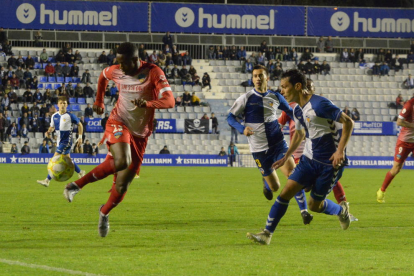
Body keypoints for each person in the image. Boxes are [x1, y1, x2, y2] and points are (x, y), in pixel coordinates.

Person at [62, 42, 175, 237]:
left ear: (135, 59)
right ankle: (76, 185)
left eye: (124, 63)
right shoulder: (116, 70)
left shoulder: (153, 72)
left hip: (140, 133)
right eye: (118, 62)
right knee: (122, 160)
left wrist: (148, 103)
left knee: (122, 186)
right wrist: (98, 101)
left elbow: (170, 101)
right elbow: (102, 77)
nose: (120, 67)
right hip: (118, 121)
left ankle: (103, 212)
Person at [247, 69, 354, 245]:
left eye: (284, 87)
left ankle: (341, 211)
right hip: (308, 161)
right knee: (285, 193)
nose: (281, 91)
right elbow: (299, 134)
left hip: (329, 164)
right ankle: (266, 234)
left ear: (297, 86)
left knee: (314, 205)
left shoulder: (320, 104)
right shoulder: (297, 110)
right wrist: (286, 156)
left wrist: (340, 151)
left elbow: (348, 122)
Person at [227, 65, 312, 225]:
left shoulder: (275, 97)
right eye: (255, 76)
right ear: (252, 79)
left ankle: (304, 211)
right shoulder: (245, 98)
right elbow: (230, 118)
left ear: (267, 78)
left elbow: (290, 112)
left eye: (261, 75)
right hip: (259, 151)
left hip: (278, 145)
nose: (258, 78)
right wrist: (242, 128)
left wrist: (303, 124)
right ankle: (265, 182)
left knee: (294, 175)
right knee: (274, 187)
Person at [278, 78, 358, 222]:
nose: (310, 89)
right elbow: (287, 126)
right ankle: (304, 211)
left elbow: (343, 125)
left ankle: (341, 205)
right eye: (308, 87)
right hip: (302, 150)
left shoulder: (320, 106)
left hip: (319, 151)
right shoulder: (294, 108)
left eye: (311, 87)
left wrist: (340, 150)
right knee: (299, 183)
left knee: (314, 190)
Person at [37, 96, 85, 187]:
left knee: (54, 159)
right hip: (59, 141)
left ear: (67, 105)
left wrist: (80, 137)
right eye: (61, 103)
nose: (63, 105)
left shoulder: (70, 116)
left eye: (65, 103)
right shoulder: (54, 116)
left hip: (66, 141)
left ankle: (47, 180)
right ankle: (80, 172)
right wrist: (48, 131)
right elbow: (52, 127)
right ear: (58, 104)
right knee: (68, 159)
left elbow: (80, 125)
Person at [377, 96, 414, 203]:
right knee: (396, 168)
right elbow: (399, 122)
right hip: (405, 141)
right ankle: (381, 191)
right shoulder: (409, 105)